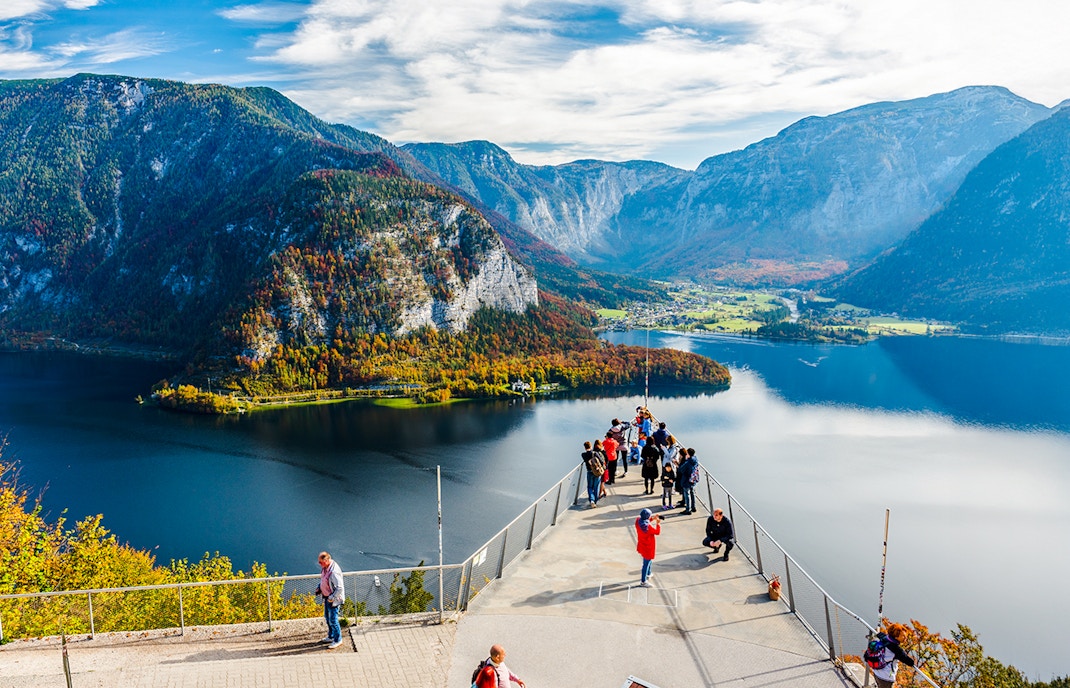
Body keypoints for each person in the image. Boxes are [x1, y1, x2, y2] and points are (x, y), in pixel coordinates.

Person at [315, 551, 345, 649]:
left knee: (333, 619)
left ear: (327, 560)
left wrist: (332, 598)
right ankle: (331, 636)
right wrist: (319, 587)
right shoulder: (325, 568)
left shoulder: (334, 571)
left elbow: (339, 588)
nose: (319, 564)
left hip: (333, 600)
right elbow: (324, 580)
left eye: (321, 562)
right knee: (327, 618)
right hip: (326, 597)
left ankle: (338, 639)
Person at [635, 508, 661, 587]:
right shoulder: (648, 527)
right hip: (648, 546)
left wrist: (653, 518)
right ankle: (643, 581)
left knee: (648, 561)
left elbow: (646, 520)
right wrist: (658, 523)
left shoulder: (638, 521)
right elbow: (657, 532)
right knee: (646, 563)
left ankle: (649, 573)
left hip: (642, 544)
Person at [582, 441, 605, 507]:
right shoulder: (595, 453)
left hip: (589, 472)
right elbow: (601, 461)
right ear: (591, 446)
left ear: (585, 447)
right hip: (597, 472)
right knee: (596, 486)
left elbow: (586, 460)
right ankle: (595, 501)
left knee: (589, 487)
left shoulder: (583, 455)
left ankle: (592, 500)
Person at [676, 448, 699, 514]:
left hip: (686, 480)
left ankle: (688, 509)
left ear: (688, 454)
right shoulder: (695, 460)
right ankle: (693, 507)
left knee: (687, 494)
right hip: (693, 479)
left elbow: (681, 470)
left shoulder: (687, 463)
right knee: (692, 493)